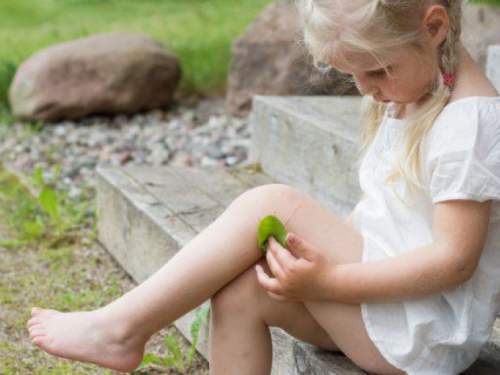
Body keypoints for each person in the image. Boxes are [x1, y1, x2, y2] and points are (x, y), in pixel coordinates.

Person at [27, 0, 500, 374]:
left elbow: (453, 262)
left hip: (422, 331)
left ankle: (121, 329)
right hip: (384, 304)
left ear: (434, 27)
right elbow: (393, 210)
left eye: (377, 71)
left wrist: (330, 281)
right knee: (240, 294)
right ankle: (121, 329)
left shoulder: (469, 124)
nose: (364, 89)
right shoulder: (414, 88)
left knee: (273, 203)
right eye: (351, 73)